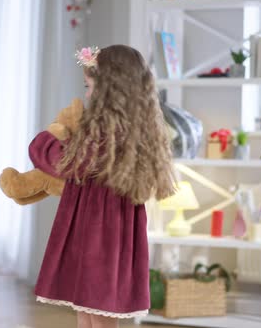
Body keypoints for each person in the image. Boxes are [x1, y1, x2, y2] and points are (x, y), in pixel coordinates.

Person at [29, 45, 176, 328]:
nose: (86, 94)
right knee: (86, 308)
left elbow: (67, 163)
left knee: (98, 310)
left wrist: (45, 140)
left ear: (110, 90)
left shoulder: (108, 133)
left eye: (90, 87)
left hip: (102, 235)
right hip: (98, 229)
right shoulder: (122, 128)